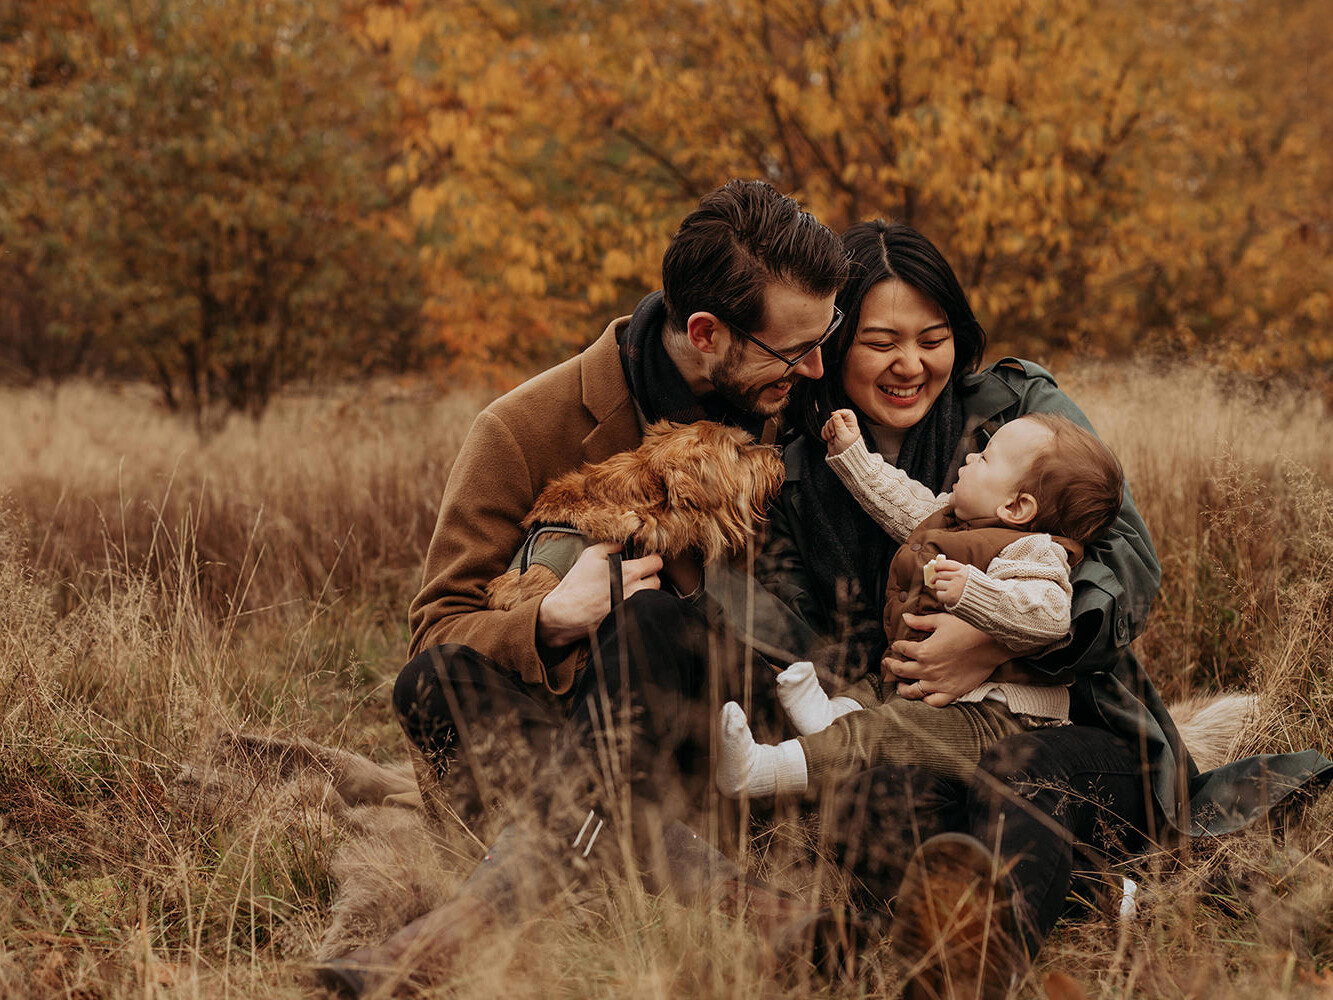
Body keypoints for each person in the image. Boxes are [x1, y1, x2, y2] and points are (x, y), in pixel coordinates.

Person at [754, 219, 1331, 995]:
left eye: (932, 337)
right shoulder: (803, 470)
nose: (909, 364)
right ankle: (885, 939)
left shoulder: (1017, 411)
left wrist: (987, 641)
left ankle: (981, 960)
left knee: (1017, 772)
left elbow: (1125, 560)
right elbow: (799, 629)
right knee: (875, 796)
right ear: (832, 345)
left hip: (1067, 730)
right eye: (879, 341)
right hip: (914, 729)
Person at [315, 180, 849, 996]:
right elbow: (437, 625)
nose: (816, 366)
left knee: (652, 627)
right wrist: (551, 621)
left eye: (825, 336)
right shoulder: (522, 428)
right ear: (704, 333)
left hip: (732, 749)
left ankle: (465, 926)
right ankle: (736, 898)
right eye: (791, 351)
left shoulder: (810, 404)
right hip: (584, 742)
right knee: (431, 682)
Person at [716, 409, 1125, 795]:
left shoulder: (1033, 551)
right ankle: (829, 720)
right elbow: (899, 501)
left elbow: (1050, 616)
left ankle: (760, 771)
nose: (969, 456)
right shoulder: (951, 520)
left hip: (997, 718)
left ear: (1016, 507)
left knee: (886, 732)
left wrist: (974, 592)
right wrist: (853, 455)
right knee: (870, 695)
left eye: (984, 458)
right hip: (923, 692)